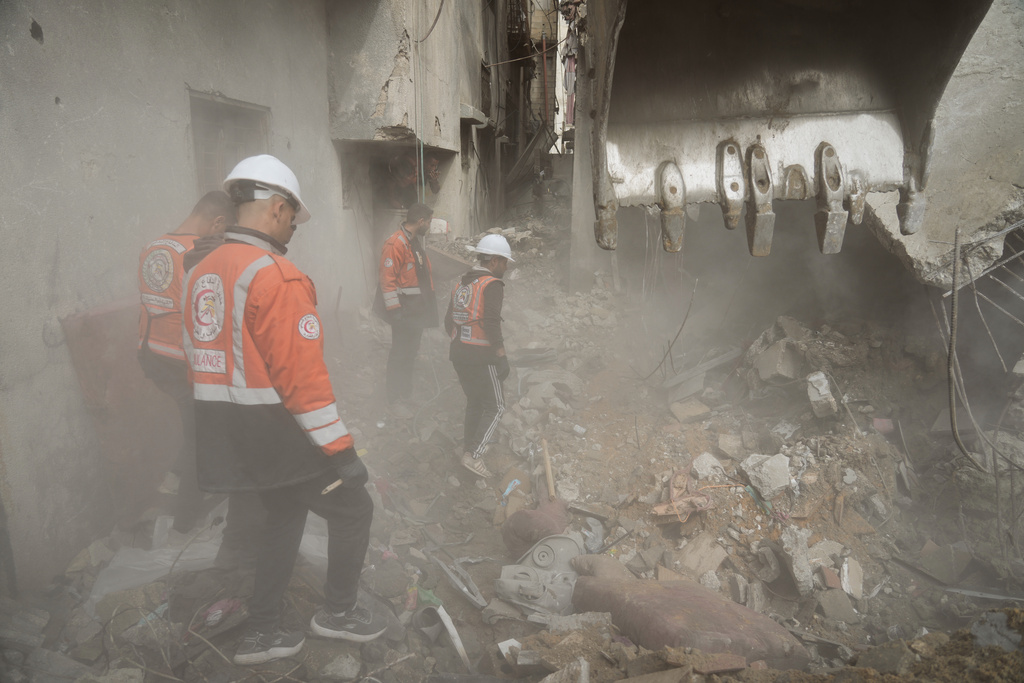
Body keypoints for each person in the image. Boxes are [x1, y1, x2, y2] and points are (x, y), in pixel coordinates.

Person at [183, 155, 385, 665]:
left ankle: (266, 629)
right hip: (277, 432)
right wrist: (343, 455)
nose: (294, 228)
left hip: (225, 435)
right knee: (355, 508)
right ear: (277, 208)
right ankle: (337, 614)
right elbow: (304, 385)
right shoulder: (278, 277)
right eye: (293, 217)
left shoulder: (201, 272)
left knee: (284, 513)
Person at [137, 191, 234, 533]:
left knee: (192, 427)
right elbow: (206, 319)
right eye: (223, 233)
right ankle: (184, 520)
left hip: (151, 354)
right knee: (202, 439)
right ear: (218, 222)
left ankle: (174, 478)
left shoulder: (154, 246)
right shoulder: (199, 255)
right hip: (183, 362)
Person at [444, 234, 514, 478]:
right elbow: (492, 321)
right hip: (481, 356)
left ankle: (467, 449)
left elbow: (447, 321)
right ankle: (474, 456)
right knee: (496, 406)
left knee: (475, 402)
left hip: (459, 353)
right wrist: (500, 354)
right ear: (494, 261)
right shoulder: (491, 284)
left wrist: (462, 341)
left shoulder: (462, 283)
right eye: (505, 262)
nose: (506, 267)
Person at [377, 203, 438, 417]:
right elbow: (387, 280)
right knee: (399, 354)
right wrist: (395, 312)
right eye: (429, 222)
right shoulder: (396, 243)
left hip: (416, 312)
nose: (429, 226)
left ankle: (405, 394)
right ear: (421, 221)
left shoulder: (413, 243)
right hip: (404, 312)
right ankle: (394, 399)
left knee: (411, 353)